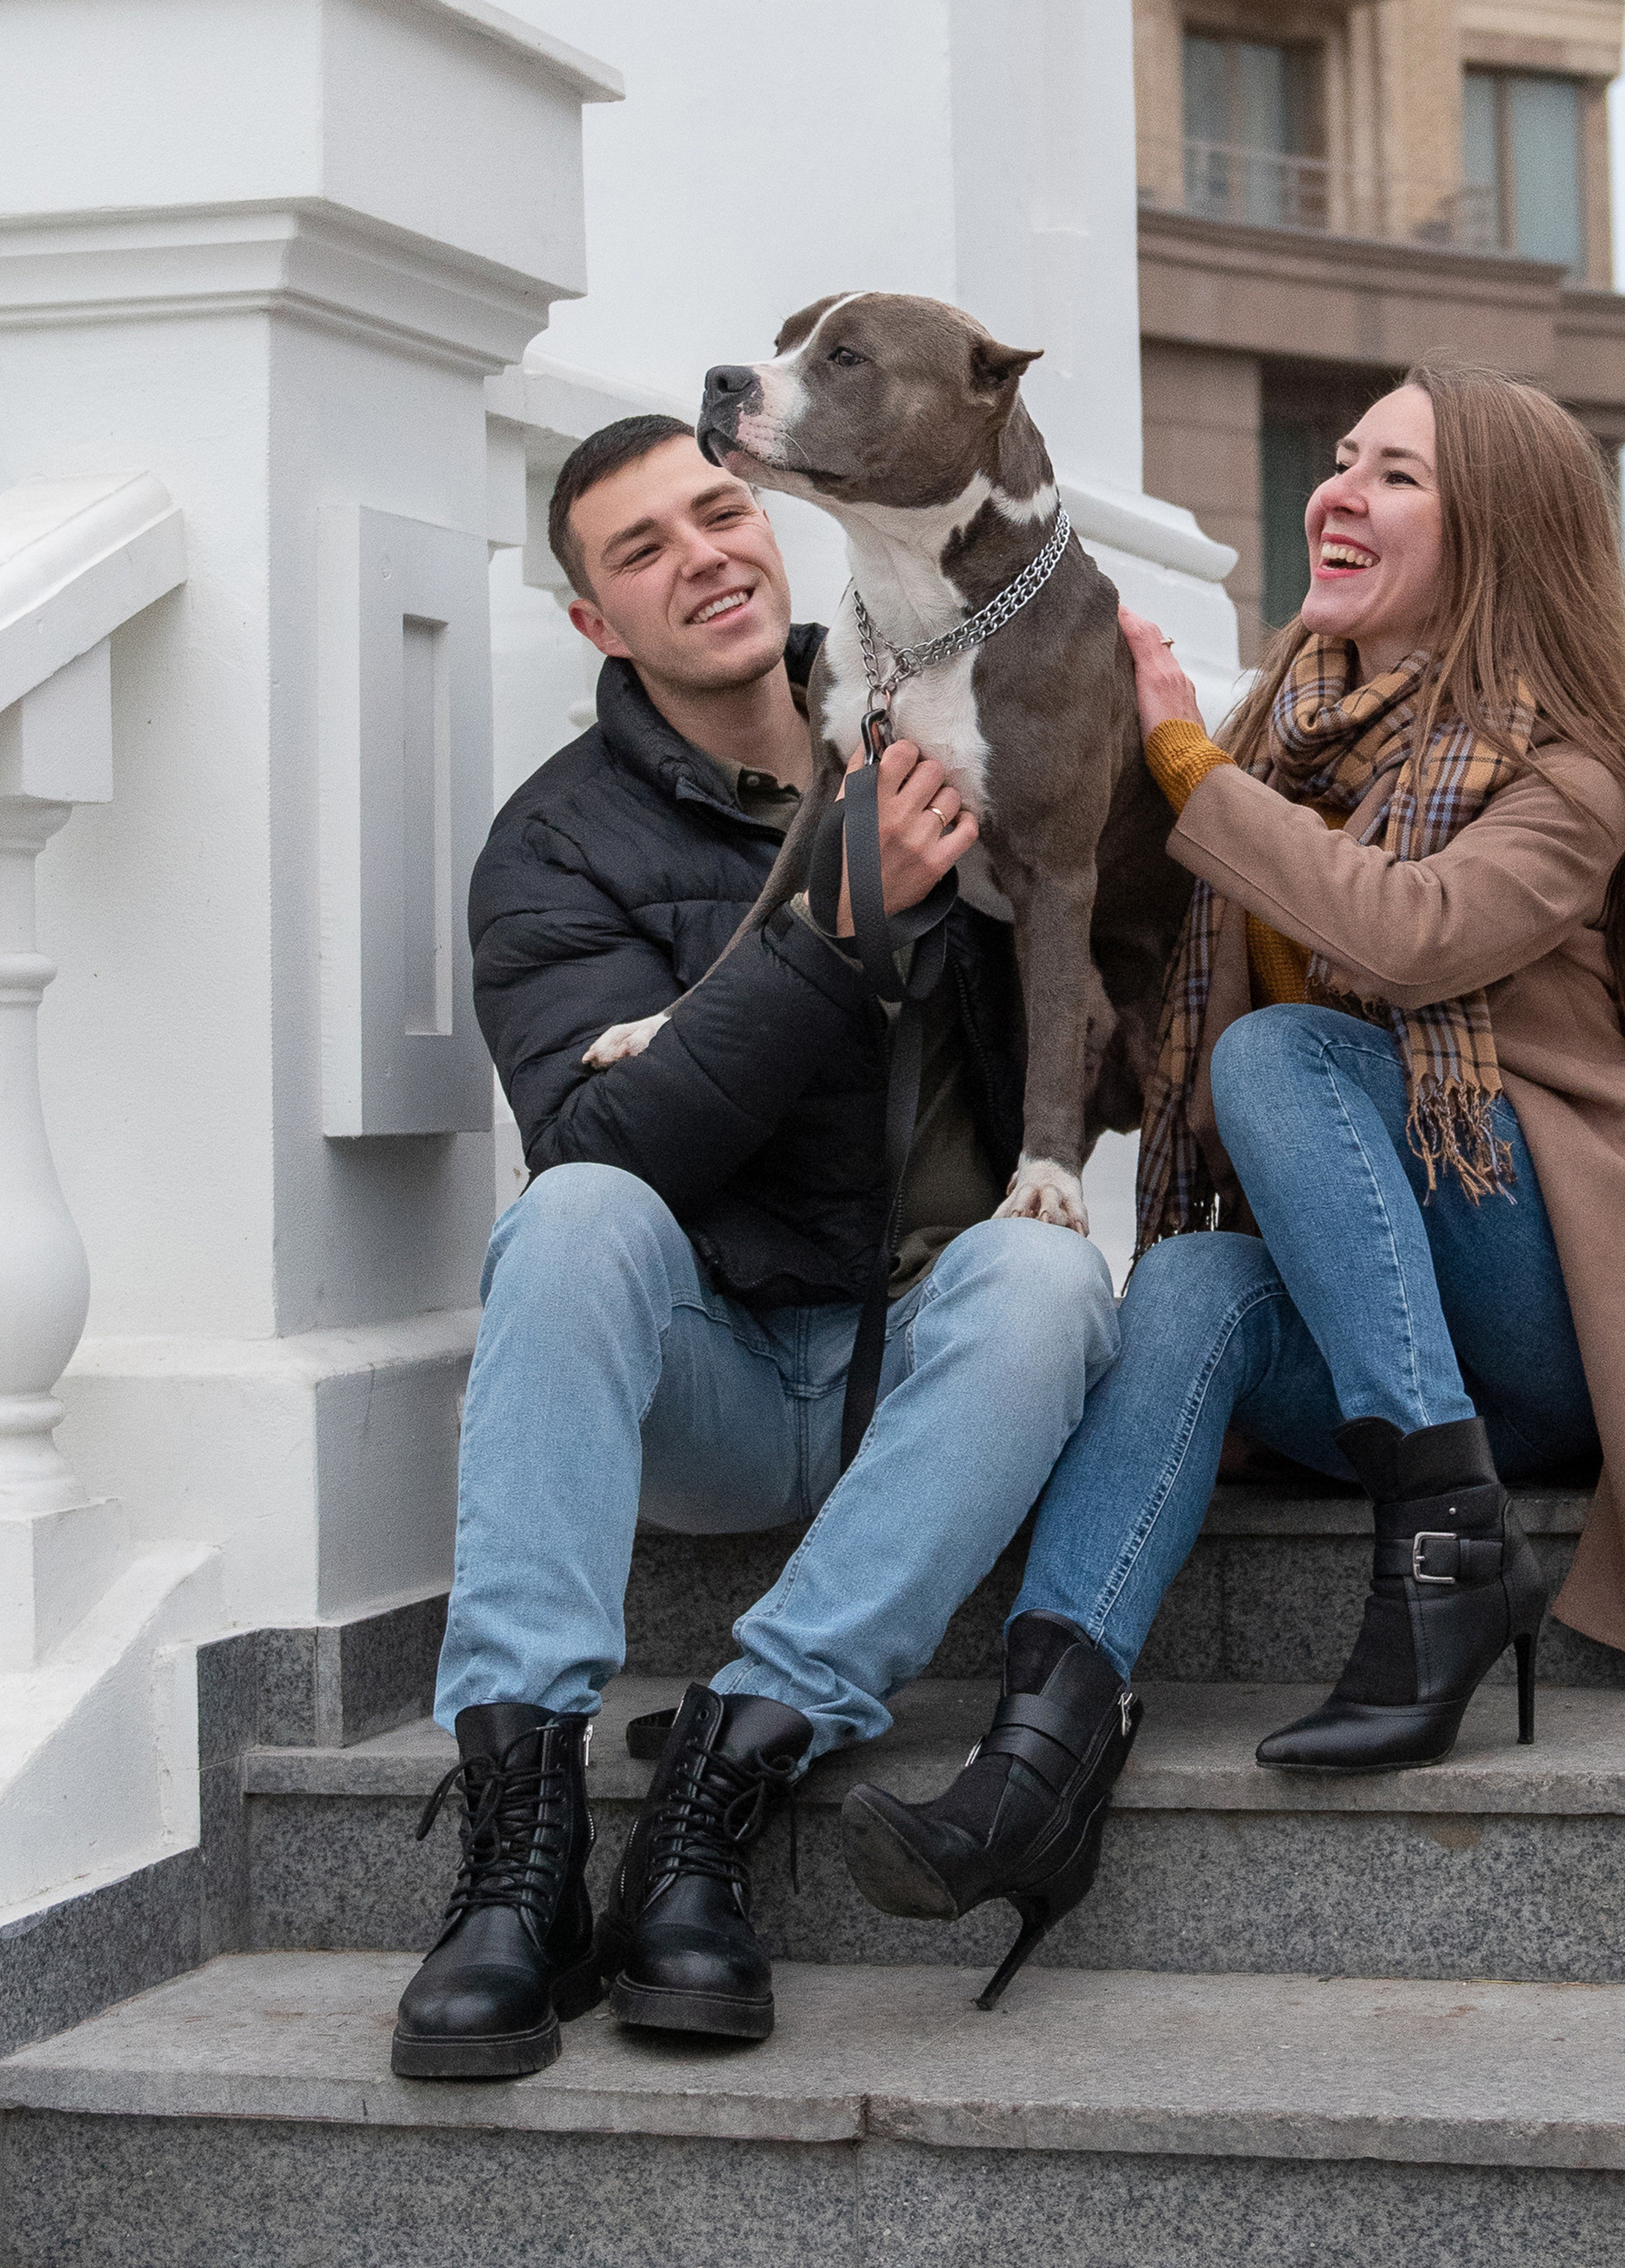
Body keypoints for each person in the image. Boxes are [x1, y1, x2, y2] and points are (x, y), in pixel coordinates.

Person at [838, 361, 1625, 1991]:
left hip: (1553, 1318)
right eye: (1341, 461)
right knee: (1181, 1278)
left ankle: (1451, 1550)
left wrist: (1178, 760)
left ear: (1497, 532)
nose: (1339, 492)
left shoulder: (1567, 766)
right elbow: (1123, 980)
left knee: (1287, 1057)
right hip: (1378, 1318)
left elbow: (1403, 935)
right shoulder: (1281, 743)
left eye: (1396, 475)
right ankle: (1038, 1762)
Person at [390, 413, 1117, 2079]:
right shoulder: (556, 844)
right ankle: (520, 1846)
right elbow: (602, 1144)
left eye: (720, 513)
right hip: (711, 1383)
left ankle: (729, 1773)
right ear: (596, 623)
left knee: (1051, 1276)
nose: (702, 555)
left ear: (776, 524)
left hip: (918, 1367)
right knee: (569, 1216)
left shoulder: (948, 721)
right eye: (640, 550)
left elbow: (1089, 1000)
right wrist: (833, 933)